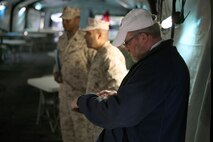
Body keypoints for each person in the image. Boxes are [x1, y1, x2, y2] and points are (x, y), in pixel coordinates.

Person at [71, 8, 190, 142]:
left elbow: (118, 113)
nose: (126, 48)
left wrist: (84, 101)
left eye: (127, 42)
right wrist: (120, 96)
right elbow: (145, 102)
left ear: (144, 38)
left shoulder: (157, 67)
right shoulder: (159, 61)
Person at [53, 6, 96, 142]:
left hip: (80, 93)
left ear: (77, 20)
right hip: (64, 91)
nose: (65, 23)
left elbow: (94, 64)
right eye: (63, 20)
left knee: (82, 132)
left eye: (68, 20)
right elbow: (59, 58)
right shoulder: (62, 39)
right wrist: (56, 70)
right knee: (66, 129)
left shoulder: (86, 39)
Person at [81, 18, 128, 141]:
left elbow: (118, 91)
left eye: (88, 33)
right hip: (96, 119)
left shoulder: (110, 56)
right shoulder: (101, 53)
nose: (85, 37)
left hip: (102, 126)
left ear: (99, 35)